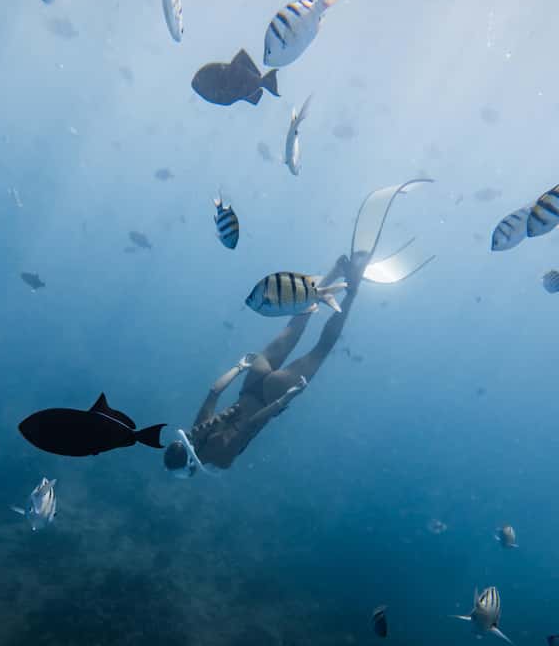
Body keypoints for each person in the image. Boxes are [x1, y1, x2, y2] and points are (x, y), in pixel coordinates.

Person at [164, 180, 434, 477]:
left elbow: (253, 424)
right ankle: (335, 271)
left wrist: (285, 399)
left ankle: (351, 290)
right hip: (251, 382)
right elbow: (214, 391)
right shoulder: (196, 429)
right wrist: (240, 367)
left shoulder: (222, 459)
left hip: (271, 397)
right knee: (295, 324)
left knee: (321, 349)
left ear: (193, 467)